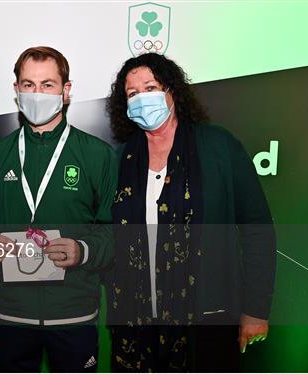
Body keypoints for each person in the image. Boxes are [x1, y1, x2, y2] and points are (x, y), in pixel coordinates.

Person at [106, 53, 276, 372]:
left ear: (172, 91)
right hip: (134, 324)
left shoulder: (218, 148)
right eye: (132, 94)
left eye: (150, 87)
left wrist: (256, 310)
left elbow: (257, 229)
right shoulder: (119, 159)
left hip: (206, 321)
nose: (142, 99)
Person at [0, 46, 117, 372]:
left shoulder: (98, 155)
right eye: (28, 84)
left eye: (47, 84)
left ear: (65, 91)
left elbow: (114, 231)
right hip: (10, 314)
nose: (37, 93)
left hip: (74, 314)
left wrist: (83, 250)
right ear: (16, 91)